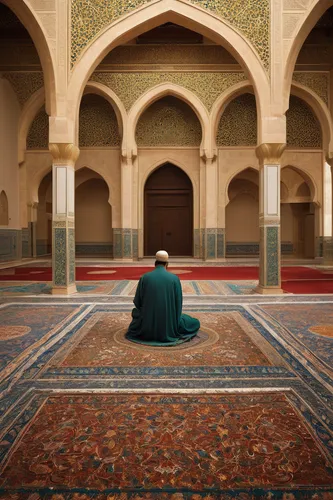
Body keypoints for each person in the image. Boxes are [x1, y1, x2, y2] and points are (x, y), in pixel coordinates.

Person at [126, 250, 200, 346]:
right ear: (167, 264)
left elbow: (137, 303)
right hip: (169, 326)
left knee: (136, 315)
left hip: (146, 326)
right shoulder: (174, 278)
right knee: (194, 323)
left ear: (155, 263)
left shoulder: (145, 277)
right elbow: (178, 305)